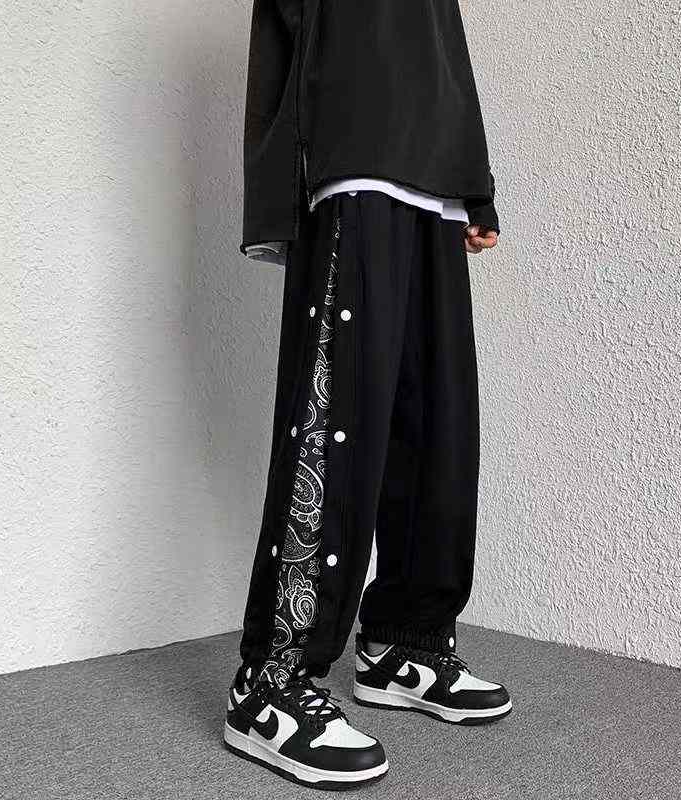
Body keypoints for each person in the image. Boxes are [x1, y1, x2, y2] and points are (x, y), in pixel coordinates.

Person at [223, 0, 511, 789]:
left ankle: (403, 642)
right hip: (355, 152)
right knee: (337, 423)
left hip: (435, 175)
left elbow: (439, 40)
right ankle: (272, 681)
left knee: (438, 423)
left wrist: (474, 184)